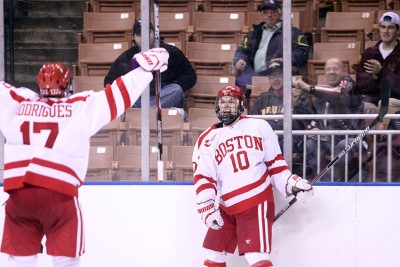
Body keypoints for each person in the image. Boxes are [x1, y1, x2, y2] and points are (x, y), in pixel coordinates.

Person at [0, 48, 169, 267]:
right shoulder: (77, 108)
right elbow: (117, 95)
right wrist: (145, 70)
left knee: (20, 260)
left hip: (19, 196)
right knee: (66, 260)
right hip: (58, 195)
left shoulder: (18, 102)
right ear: (67, 84)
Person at [192, 85, 314, 267]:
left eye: (231, 102)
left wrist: (292, 184)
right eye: (222, 102)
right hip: (225, 205)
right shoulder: (207, 138)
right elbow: (204, 176)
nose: (226, 106)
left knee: (256, 255)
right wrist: (207, 207)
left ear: (241, 105)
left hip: (255, 201)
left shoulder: (258, 126)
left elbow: (275, 165)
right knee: (213, 252)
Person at [293, 58, 366, 182]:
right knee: (310, 142)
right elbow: (313, 118)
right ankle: (323, 177)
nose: (331, 72)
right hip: (329, 140)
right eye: (328, 69)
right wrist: (298, 106)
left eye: (335, 68)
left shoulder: (349, 86)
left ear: (344, 71)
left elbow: (337, 94)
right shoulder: (321, 97)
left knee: (344, 145)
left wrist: (309, 88)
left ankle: (327, 180)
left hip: (352, 138)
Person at [104, 19, 197, 108]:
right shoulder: (127, 56)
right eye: (139, 34)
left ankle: (149, 113)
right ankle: (149, 113)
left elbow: (190, 75)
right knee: (121, 97)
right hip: (137, 100)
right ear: (134, 38)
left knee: (175, 90)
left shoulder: (170, 51)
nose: (144, 37)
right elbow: (110, 81)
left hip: (163, 98)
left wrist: (176, 84)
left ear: (154, 33)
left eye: (148, 32)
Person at [248, 61, 317, 177]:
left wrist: (296, 105)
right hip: (267, 143)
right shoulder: (263, 99)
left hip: (293, 142)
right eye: (272, 76)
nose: (276, 79)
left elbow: (309, 121)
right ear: (268, 78)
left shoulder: (298, 96)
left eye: (279, 75)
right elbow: (250, 122)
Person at [232, 0, 309, 98]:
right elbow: (242, 50)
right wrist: (240, 59)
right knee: (239, 82)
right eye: (266, 12)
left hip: (280, 73)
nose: (269, 15)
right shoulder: (254, 34)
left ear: (280, 14)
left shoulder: (293, 33)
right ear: (262, 14)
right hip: (257, 74)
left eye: (273, 12)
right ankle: (246, 111)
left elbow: (303, 52)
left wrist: (285, 59)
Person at [356, 11, 400, 108]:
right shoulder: (369, 53)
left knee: (386, 103)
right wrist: (374, 78)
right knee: (364, 104)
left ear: (398, 31)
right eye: (383, 27)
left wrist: (381, 72)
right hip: (373, 100)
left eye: (391, 27)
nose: (386, 31)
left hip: (396, 100)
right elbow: (361, 86)